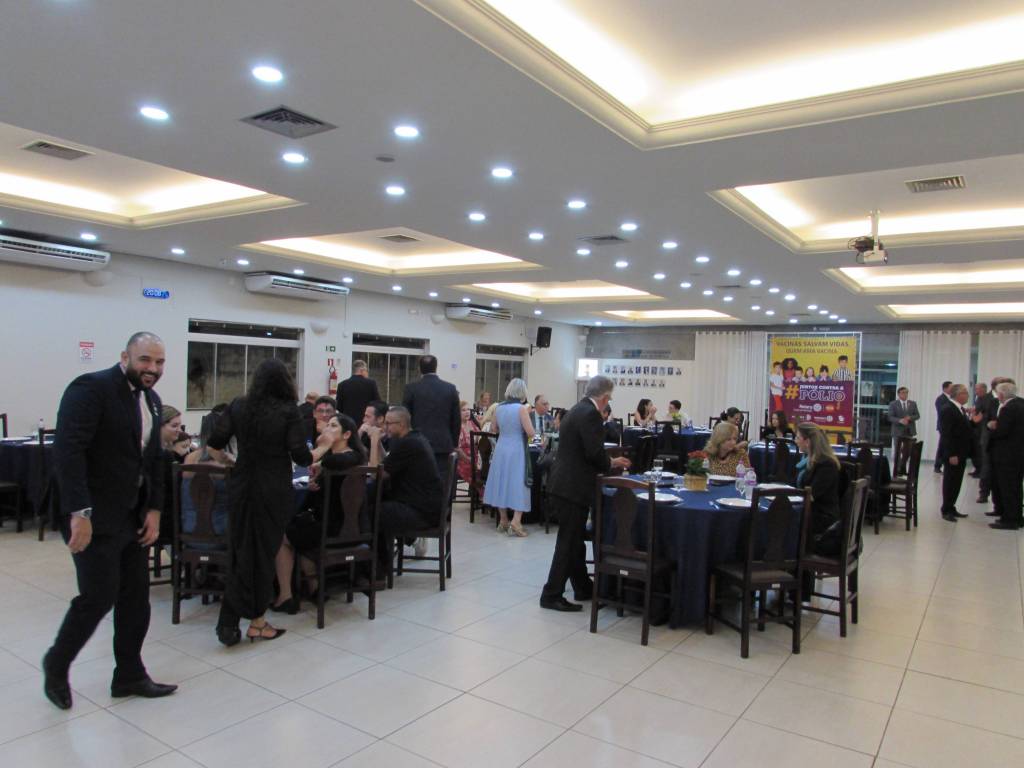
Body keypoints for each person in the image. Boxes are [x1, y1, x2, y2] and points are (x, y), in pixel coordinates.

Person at [43, 332, 176, 711]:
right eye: (145, 360)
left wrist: (154, 509)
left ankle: (129, 675)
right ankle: (56, 664)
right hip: (93, 515)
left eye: (159, 362)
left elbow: (153, 460)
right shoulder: (91, 388)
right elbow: (69, 453)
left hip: (132, 516)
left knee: (136, 599)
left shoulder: (152, 400)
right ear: (125, 357)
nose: (152, 368)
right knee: (98, 597)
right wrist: (79, 512)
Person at [207, 358, 317, 646]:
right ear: (285, 382)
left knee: (243, 551)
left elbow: (214, 444)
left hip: (242, 485)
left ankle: (236, 623)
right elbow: (301, 456)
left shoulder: (238, 405)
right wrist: (322, 450)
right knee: (263, 554)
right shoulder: (288, 410)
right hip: (273, 488)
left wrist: (230, 461)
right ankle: (251, 622)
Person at [541, 375, 631, 612]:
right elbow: (593, 453)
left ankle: (582, 586)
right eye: (609, 398)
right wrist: (611, 463)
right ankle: (551, 594)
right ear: (604, 398)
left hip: (562, 484)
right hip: (573, 487)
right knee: (568, 542)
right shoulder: (591, 414)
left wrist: (609, 461)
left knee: (574, 542)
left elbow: (582, 449)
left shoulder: (575, 409)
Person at [273, 414, 367, 612]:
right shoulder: (333, 459)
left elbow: (338, 462)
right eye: (328, 425)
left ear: (347, 434)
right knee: (298, 529)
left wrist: (321, 460)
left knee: (282, 538)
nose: (327, 429)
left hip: (336, 529)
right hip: (337, 527)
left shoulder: (349, 457)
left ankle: (285, 595)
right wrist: (314, 485)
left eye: (333, 426)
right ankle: (315, 587)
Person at [366, 406, 444, 574]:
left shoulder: (409, 443)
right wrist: (378, 443)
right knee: (376, 506)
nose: (385, 427)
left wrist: (373, 441)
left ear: (401, 424)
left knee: (371, 513)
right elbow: (387, 463)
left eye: (388, 424)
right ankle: (381, 562)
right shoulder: (412, 438)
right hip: (424, 504)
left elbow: (375, 474)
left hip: (422, 511)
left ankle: (379, 568)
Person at [483, 379, 536, 537]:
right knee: (518, 482)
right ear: (522, 392)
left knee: (501, 481)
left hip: (501, 448)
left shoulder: (499, 408)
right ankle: (516, 521)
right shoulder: (521, 409)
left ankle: (503, 519)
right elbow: (531, 433)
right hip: (516, 449)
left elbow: (493, 429)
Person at [402, 354, 461, 477]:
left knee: (418, 479)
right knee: (441, 480)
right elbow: (456, 420)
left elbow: (405, 417)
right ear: (436, 367)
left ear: (419, 368)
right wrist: (454, 443)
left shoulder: (411, 388)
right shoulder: (450, 389)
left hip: (417, 444)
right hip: (443, 444)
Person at [987, 381, 1024, 530]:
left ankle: (1010, 519)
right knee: (1016, 488)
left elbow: (1002, 432)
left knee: (1007, 488)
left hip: (1007, 455)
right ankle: (1018, 517)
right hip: (1018, 454)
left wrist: (992, 427)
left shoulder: (1007, 409)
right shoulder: (1021, 404)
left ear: (1001, 395)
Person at [937, 384, 972, 522]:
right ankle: (946, 509)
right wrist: (951, 454)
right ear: (958, 395)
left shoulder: (959, 408)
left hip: (961, 451)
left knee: (957, 481)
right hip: (953, 453)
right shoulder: (948, 409)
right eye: (965, 393)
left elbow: (962, 428)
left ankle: (951, 506)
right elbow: (946, 434)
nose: (967, 395)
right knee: (950, 481)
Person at [973, 377, 1004, 502]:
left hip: (1003, 439)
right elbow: (979, 415)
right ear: (995, 386)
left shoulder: (1009, 401)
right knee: (986, 467)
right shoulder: (985, 398)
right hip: (988, 437)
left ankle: (999, 499)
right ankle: (983, 493)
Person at [337, 359, 381, 425]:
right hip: (366, 422)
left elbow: (339, 407)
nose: (367, 373)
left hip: (348, 423)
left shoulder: (342, 385)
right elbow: (377, 403)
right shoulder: (371, 384)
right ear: (362, 370)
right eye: (366, 371)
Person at [933, 381, 953, 473]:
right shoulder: (940, 399)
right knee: (943, 446)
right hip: (943, 426)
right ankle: (938, 465)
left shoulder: (951, 398)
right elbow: (942, 411)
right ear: (945, 388)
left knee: (946, 445)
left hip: (950, 426)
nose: (952, 389)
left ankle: (942, 465)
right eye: (951, 387)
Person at [456, 401, 474, 485]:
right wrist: (468, 459)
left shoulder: (472, 424)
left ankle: (475, 491)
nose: (467, 412)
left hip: (474, 459)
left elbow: (480, 440)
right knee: (479, 472)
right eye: (463, 410)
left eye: (468, 409)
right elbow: (457, 449)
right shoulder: (457, 427)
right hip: (462, 461)